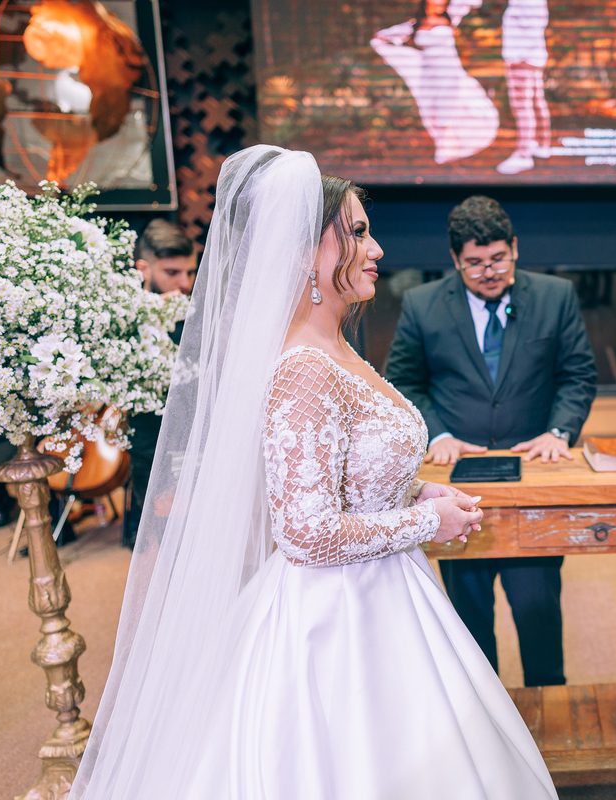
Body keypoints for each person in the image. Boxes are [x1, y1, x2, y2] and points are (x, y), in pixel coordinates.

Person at [71, 146, 558, 799]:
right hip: (337, 616)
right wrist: (426, 521)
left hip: (387, 588)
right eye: (357, 232)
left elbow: (348, 475)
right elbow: (304, 532)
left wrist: (416, 488)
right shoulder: (303, 368)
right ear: (305, 254)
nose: (376, 248)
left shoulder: (337, 348)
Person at [385, 195, 596, 687]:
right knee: (471, 622)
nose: (489, 272)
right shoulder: (422, 304)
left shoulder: (556, 296)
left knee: (538, 611)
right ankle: (487, 718)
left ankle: (548, 705)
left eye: (498, 259)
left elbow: (578, 375)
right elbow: (404, 382)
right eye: (475, 263)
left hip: (532, 479)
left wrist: (559, 431)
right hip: (459, 487)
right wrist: (438, 433)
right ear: (455, 259)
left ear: (514, 248)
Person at [121, 219, 196, 548]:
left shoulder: (196, 313)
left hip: (197, 442)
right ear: (144, 269)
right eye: (172, 272)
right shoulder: (123, 318)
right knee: (161, 544)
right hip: (150, 447)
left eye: (190, 272)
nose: (185, 283)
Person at [371, 0, 499, 165]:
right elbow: (386, 35)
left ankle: (451, 148)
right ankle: (446, 147)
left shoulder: (450, 16)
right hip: (429, 73)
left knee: (449, 106)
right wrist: (381, 39)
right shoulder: (416, 24)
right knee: (432, 109)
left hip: (448, 70)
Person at [496, 0, 551, 175]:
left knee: (522, 107)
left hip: (522, 60)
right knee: (536, 101)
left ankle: (523, 155)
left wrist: (516, 59)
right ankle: (542, 144)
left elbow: (531, 29)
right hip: (530, 58)